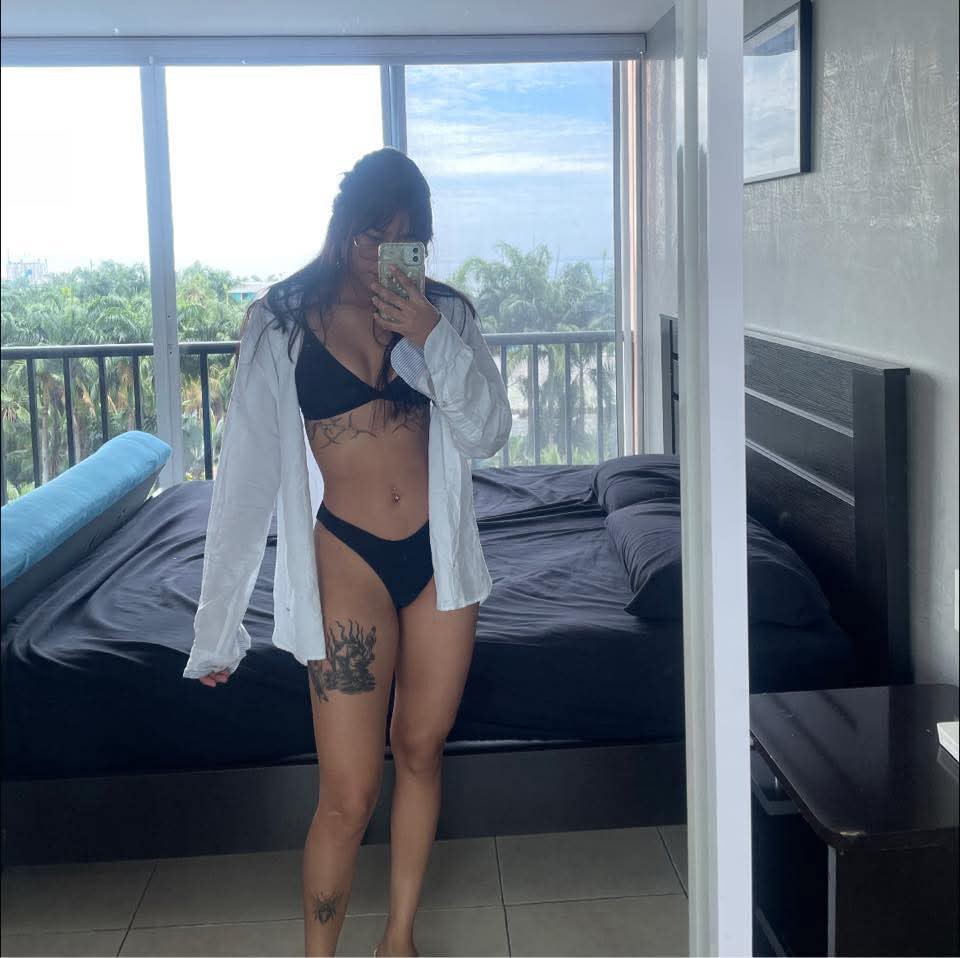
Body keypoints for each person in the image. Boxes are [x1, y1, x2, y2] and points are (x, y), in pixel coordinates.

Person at [181, 147, 513, 958]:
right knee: (348, 795)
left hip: (439, 564)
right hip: (349, 561)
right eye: (372, 236)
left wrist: (428, 334)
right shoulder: (282, 320)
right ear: (342, 229)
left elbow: (488, 433)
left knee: (422, 750)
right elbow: (246, 479)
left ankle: (398, 939)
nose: (383, 255)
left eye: (405, 241)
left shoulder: (446, 316)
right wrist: (218, 627)